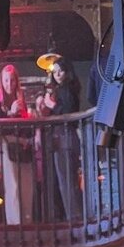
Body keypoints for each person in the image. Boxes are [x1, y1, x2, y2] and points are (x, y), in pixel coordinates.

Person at [0, 65, 34, 226]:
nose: (9, 84)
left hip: (24, 146)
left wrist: (29, 119)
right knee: (12, 186)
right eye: (6, 80)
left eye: (12, 80)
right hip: (8, 146)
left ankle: (27, 223)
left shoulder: (21, 101)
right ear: (1, 81)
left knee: (27, 186)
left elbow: (27, 127)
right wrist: (11, 113)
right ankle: (15, 224)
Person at [42, 57, 82, 221]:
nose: (57, 74)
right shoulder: (64, 89)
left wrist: (52, 106)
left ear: (67, 72)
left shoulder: (67, 89)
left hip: (65, 136)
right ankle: (73, 216)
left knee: (66, 180)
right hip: (65, 136)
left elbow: (68, 111)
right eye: (55, 72)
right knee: (67, 180)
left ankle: (74, 217)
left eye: (61, 71)